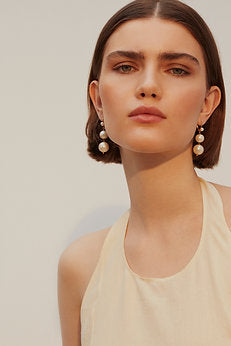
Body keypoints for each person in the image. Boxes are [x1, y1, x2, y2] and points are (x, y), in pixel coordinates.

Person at [58, 0, 231, 345]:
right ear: (98, 100)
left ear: (207, 104)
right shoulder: (80, 268)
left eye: (177, 69)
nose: (148, 86)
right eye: (125, 67)